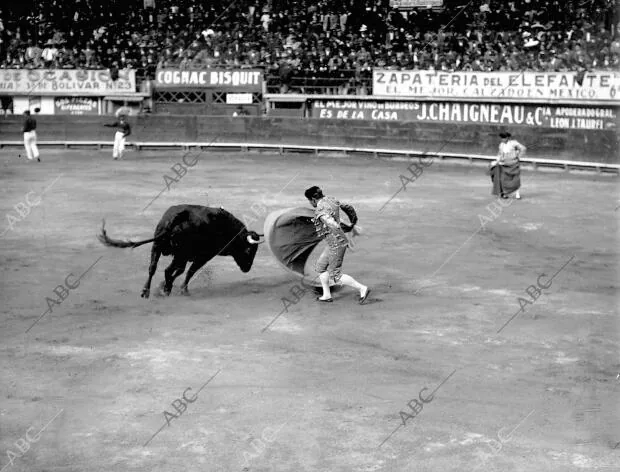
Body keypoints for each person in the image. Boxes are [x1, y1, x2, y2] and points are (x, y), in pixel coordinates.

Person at [304, 186, 370, 304]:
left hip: (336, 242)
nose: (310, 203)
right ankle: (326, 295)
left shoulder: (320, 210)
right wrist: (352, 223)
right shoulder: (331, 199)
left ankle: (362, 288)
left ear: (313, 199)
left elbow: (333, 225)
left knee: (336, 276)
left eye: (309, 201)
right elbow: (348, 208)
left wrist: (342, 239)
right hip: (333, 242)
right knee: (320, 267)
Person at [489, 131, 526, 199]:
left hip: (514, 164)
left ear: (508, 138)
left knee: (515, 180)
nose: (503, 139)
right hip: (504, 164)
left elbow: (523, 148)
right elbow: (500, 154)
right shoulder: (501, 145)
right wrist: (497, 161)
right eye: (502, 138)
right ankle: (505, 194)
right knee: (503, 180)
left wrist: (518, 156)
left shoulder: (514, 143)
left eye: (504, 138)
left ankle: (517, 194)